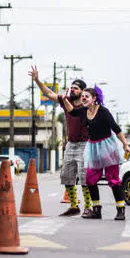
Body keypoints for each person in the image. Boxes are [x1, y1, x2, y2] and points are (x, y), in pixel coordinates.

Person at [29, 66, 93, 217]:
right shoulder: (65, 101)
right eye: (72, 88)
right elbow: (48, 93)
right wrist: (37, 79)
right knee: (66, 176)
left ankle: (89, 207)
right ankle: (74, 206)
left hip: (85, 145)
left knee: (84, 178)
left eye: (76, 88)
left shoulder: (87, 105)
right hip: (70, 144)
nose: (72, 90)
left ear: (83, 92)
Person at [63, 87, 130, 221]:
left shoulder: (103, 111)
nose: (83, 98)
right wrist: (66, 99)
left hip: (108, 147)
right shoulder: (83, 111)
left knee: (113, 179)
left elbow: (116, 128)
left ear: (94, 98)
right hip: (93, 147)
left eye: (86, 96)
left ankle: (120, 210)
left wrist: (125, 145)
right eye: (82, 96)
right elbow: (71, 111)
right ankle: (96, 210)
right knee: (90, 179)